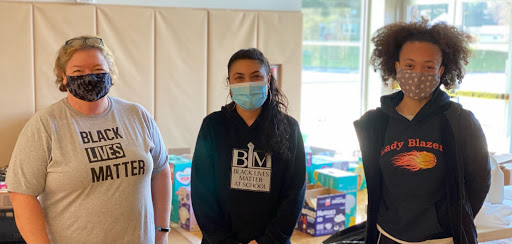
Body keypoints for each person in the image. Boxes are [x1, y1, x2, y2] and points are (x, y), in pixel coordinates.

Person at [6, 36, 172, 244]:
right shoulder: (45, 125)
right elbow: (22, 194)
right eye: (78, 72)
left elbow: (160, 171)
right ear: (63, 76)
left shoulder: (137, 115)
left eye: (97, 70)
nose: (90, 77)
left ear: (110, 73)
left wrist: (161, 232)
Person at [354, 19, 491, 244]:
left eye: (428, 67)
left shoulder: (460, 121)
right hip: (387, 236)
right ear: (397, 67)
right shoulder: (375, 123)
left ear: (441, 71)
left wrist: (452, 221)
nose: (418, 74)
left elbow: (479, 181)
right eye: (409, 65)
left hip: (441, 239)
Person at [191, 48, 306, 244]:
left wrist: (268, 241)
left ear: (268, 79)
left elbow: (294, 193)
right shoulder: (213, 126)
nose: (248, 84)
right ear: (230, 83)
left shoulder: (289, 128)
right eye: (239, 78)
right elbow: (202, 193)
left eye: (255, 76)